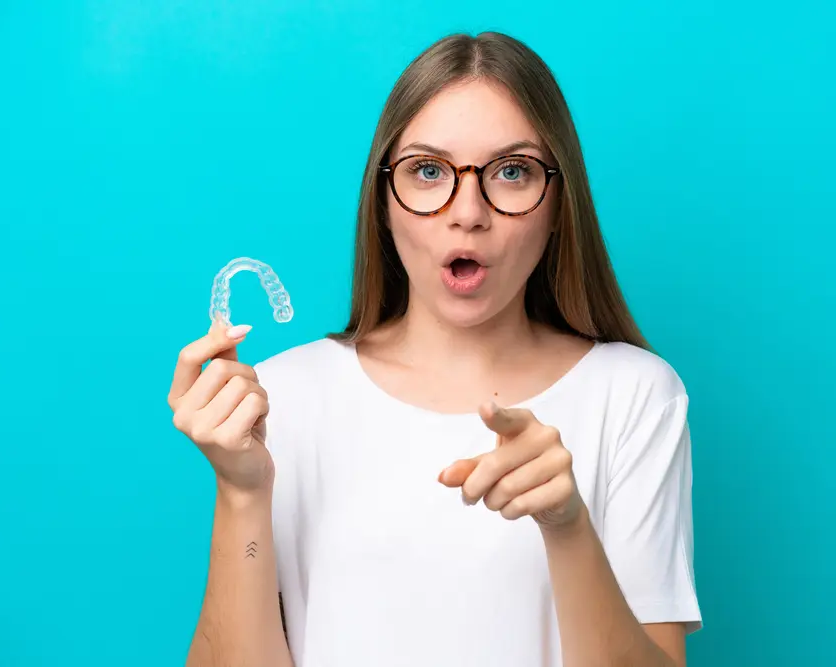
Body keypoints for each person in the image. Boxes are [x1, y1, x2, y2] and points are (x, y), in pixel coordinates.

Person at [168, 31, 701, 667]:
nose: (468, 212)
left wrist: (566, 525)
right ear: (383, 203)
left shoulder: (636, 395)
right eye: (428, 171)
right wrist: (242, 491)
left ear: (560, 204)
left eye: (512, 171)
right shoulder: (283, 399)